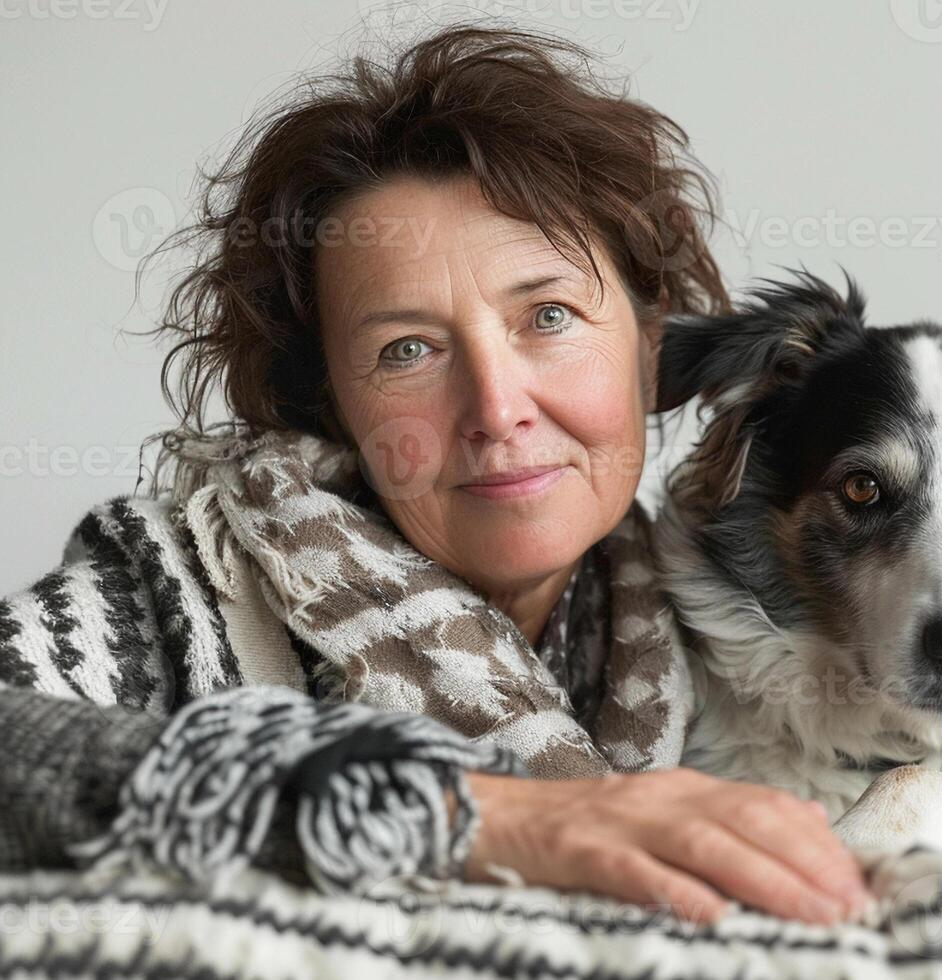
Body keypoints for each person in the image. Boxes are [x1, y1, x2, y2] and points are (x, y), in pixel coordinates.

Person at [0, 25, 870, 926]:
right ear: (332, 402)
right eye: (406, 349)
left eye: (551, 316)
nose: (497, 409)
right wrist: (461, 813)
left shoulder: (720, 643)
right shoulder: (179, 594)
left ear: (652, 345)